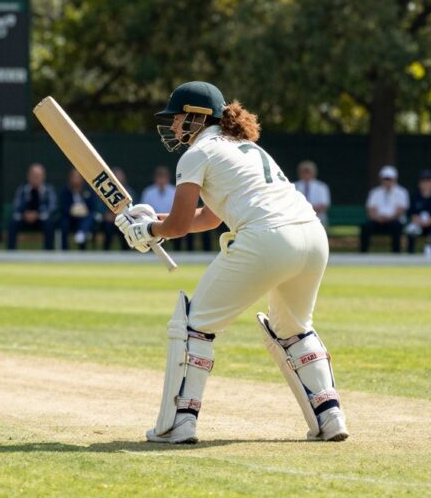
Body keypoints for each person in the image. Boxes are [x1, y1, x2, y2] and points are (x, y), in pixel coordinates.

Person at [116, 81, 347, 444]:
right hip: (313, 238)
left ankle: (179, 422)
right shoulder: (246, 147)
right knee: (293, 329)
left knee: (194, 325)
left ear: (196, 117)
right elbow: (208, 218)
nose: (174, 128)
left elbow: (175, 226)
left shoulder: (196, 155)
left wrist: (149, 229)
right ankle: (330, 415)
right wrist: (149, 222)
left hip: (267, 239)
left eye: (177, 119)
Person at [7, 163, 58, 250]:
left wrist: (37, 214)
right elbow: (16, 205)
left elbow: (52, 207)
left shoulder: (48, 190)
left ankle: (48, 252)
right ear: (29, 176)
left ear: (43, 177)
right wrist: (25, 214)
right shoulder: (22, 190)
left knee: (48, 223)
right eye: (33, 176)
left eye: (38, 176)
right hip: (24, 219)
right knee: (13, 223)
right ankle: (11, 253)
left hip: (41, 219)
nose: (35, 179)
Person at [359, 165, 409, 253]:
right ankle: (363, 253)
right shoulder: (375, 192)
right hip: (378, 221)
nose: (387, 181)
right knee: (366, 226)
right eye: (385, 178)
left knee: (396, 226)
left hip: (394, 221)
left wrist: (389, 218)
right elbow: (371, 210)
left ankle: (396, 253)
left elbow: (400, 210)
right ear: (381, 179)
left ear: (394, 179)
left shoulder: (401, 192)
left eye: (389, 179)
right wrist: (379, 218)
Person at [405, 170, 431, 255]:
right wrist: (418, 221)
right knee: (411, 230)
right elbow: (411, 213)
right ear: (419, 183)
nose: (426, 184)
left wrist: (428, 222)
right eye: (424, 181)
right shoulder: (415, 196)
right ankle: (410, 254)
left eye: (429, 181)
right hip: (418, 224)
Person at [59, 169, 99, 250]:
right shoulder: (65, 191)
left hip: (84, 219)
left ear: (82, 178)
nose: (76, 180)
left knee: (90, 218)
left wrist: (84, 211)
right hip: (70, 218)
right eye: (74, 177)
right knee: (64, 223)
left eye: (78, 177)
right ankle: (64, 250)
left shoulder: (88, 191)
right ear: (70, 178)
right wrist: (72, 211)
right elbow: (63, 207)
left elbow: (92, 207)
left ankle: (81, 234)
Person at [101, 167, 133, 251]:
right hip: (109, 221)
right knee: (107, 227)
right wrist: (106, 215)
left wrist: (120, 216)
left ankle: (127, 252)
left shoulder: (129, 191)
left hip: (125, 219)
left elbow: (133, 208)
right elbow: (100, 206)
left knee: (126, 226)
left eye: (119, 177)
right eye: (115, 176)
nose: (118, 179)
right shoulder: (104, 190)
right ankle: (106, 252)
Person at [294, 160, 330, 227]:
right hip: (298, 219)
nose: (305, 174)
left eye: (308, 171)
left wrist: (307, 210)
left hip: (318, 219)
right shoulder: (293, 186)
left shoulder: (321, 186)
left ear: (313, 172)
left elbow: (324, 205)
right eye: (303, 171)